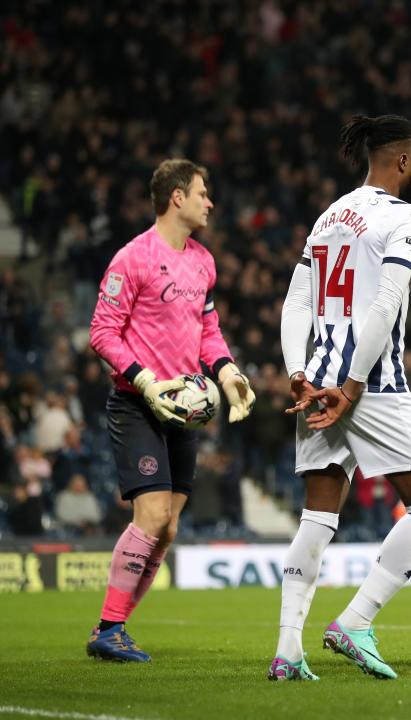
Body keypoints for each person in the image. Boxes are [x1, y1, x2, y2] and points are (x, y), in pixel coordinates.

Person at [271, 114, 411, 681]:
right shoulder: (407, 216)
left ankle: (287, 653)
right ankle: (355, 620)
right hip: (369, 384)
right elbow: (387, 301)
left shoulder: (328, 216)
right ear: (402, 160)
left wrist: (297, 371)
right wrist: (350, 385)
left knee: (317, 516)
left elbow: (295, 303)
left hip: (315, 381)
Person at [86, 159, 256, 662]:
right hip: (139, 403)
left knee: (171, 526)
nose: (210, 202)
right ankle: (109, 628)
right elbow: (101, 331)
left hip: (184, 411)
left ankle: (114, 629)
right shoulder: (132, 258)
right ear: (176, 197)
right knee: (153, 513)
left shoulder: (203, 261)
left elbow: (208, 328)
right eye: (203, 193)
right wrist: (144, 379)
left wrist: (228, 375)